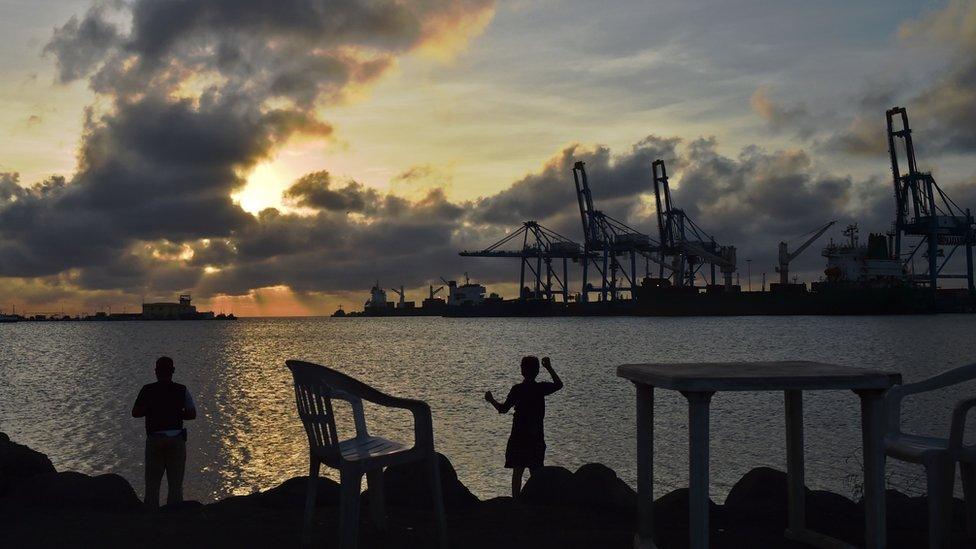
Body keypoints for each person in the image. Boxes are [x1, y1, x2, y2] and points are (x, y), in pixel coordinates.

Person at [485, 356, 563, 498]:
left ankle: (516, 501)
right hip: (536, 436)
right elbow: (558, 384)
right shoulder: (540, 388)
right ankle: (537, 500)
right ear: (537, 371)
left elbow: (503, 409)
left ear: (523, 371)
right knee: (536, 472)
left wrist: (491, 400)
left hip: (519, 437)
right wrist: (549, 368)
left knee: (518, 471)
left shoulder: (518, 389)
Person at [132, 356, 196, 509]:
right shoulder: (182, 389)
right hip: (176, 439)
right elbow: (192, 414)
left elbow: (135, 412)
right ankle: (174, 516)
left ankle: (151, 516)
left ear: (156, 371)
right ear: (173, 371)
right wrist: (175, 413)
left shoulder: (147, 389)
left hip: (155, 439)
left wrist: (152, 410)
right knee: (175, 484)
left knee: (152, 485)